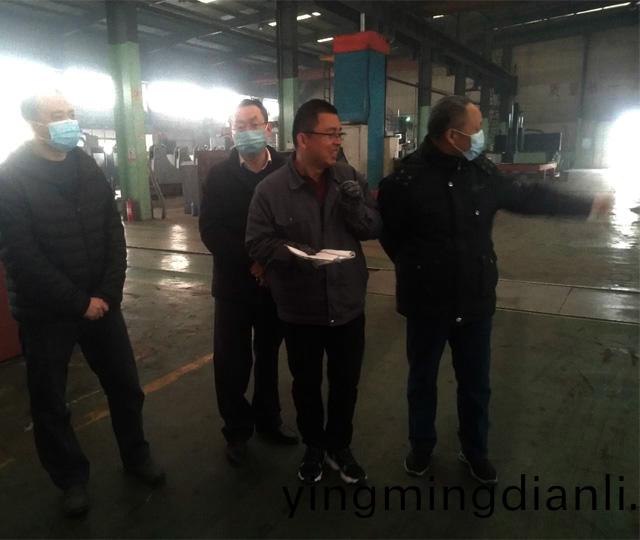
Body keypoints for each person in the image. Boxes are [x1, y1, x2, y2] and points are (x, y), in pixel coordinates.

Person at [377, 95, 614, 485]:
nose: (480, 136)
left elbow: (528, 196)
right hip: (427, 306)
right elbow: (391, 236)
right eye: (475, 129)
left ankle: (475, 451)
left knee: (476, 384)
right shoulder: (405, 182)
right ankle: (421, 447)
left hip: (475, 301)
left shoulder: (481, 172)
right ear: (452, 136)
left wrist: (585, 205)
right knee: (422, 381)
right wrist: (419, 272)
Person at [0, 91, 164, 517]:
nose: (69, 121)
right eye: (57, 115)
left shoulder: (86, 166)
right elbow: (19, 255)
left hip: (101, 304)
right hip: (46, 312)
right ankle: (71, 479)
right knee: (50, 401)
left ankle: (136, 455)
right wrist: (77, 302)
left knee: (125, 386)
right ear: (34, 123)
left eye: (70, 113)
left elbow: (113, 231)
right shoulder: (11, 177)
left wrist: (107, 294)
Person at [245, 99, 382, 484]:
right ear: (303, 139)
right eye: (330, 134)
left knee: (345, 383)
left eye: (340, 133)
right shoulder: (271, 190)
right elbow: (256, 241)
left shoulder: (348, 177)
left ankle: (340, 445)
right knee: (305, 385)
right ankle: (314, 446)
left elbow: (373, 227)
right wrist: (297, 255)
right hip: (300, 309)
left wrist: (355, 205)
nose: (338, 141)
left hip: (347, 304)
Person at [199, 98, 299, 465]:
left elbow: (296, 222)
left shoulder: (288, 170)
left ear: (268, 128)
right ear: (231, 132)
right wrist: (252, 261)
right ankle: (237, 430)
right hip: (233, 287)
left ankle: (269, 421)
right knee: (231, 362)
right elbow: (211, 230)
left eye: (253, 123)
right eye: (239, 126)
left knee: (269, 357)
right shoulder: (219, 176)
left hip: (275, 285)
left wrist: (270, 261)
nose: (246, 131)